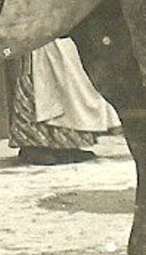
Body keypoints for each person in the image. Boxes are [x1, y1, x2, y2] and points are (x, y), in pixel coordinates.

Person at [9, 38, 119, 166]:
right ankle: (34, 147)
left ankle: (67, 146)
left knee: (73, 81)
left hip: (64, 31)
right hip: (40, 34)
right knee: (44, 80)